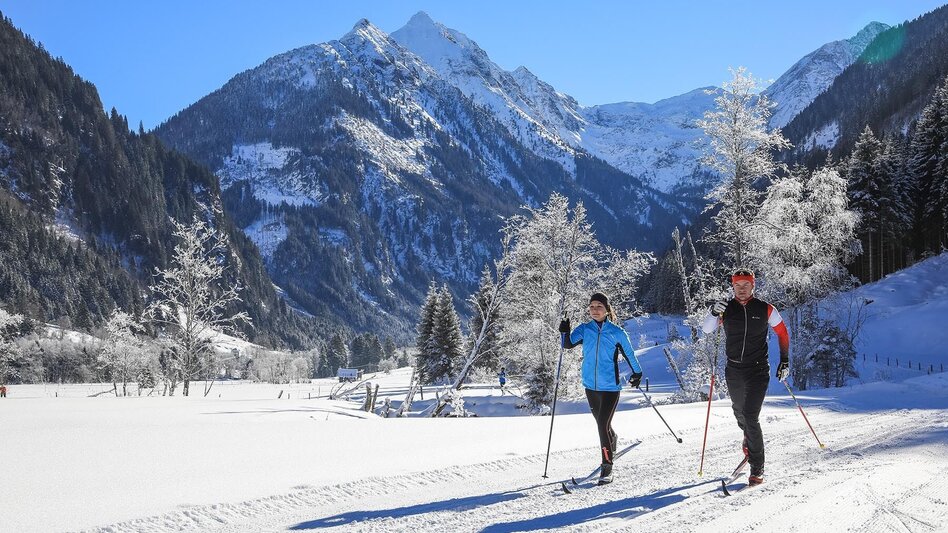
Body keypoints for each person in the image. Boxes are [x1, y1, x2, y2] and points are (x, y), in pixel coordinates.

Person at [702, 268, 790, 487]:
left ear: (753, 286)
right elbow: (706, 330)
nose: (741, 289)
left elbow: (782, 333)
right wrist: (713, 312)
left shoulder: (765, 309)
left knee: (751, 416)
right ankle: (748, 438)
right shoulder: (726, 309)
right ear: (733, 287)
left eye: (746, 285)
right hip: (734, 370)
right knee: (739, 412)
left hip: (758, 370)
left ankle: (757, 467)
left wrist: (785, 360)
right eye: (737, 285)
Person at [560, 292, 643, 484]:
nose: (595, 310)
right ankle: (612, 438)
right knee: (602, 423)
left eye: (599, 306)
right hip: (590, 386)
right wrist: (564, 330)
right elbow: (567, 344)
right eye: (591, 307)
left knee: (601, 425)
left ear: (607, 309)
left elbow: (630, 355)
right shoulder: (584, 329)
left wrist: (637, 373)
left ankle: (607, 467)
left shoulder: (617, 333)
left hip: (610, 388)